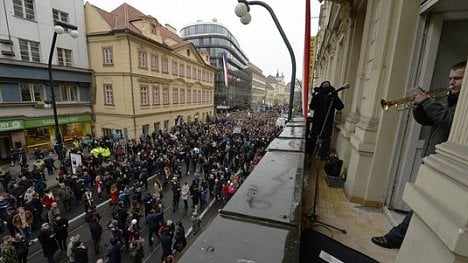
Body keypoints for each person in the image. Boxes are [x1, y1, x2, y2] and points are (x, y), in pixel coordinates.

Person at [371, 61, 466, 249]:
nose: (451, 83)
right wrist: (418, 107)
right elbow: (428, 121)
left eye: (457, 78)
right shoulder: (449, 99)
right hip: (432, 158)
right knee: (422, 202)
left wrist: (427, 102)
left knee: (421, 203)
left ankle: (396, 237)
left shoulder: (464, 105)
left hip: (447, 164)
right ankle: (404, 238)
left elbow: (449, 121)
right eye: (450, 79)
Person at [308, 81, 345, 159]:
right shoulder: (331, 96)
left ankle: (312, 153)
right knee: (325, 139)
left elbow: (312, 107)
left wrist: (314, 97)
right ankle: (322, 155)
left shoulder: (323, 96)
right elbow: (340, 107)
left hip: (320, 122)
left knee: (316, 137)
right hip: (326, 122)